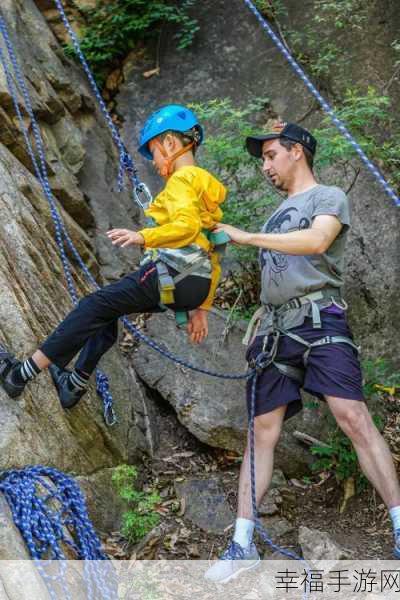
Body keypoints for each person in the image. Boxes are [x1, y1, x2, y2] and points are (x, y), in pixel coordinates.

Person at [205, 121, 400, 583]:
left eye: (271, 155)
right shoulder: (275, 217)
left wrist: (245, 237)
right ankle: (242, 542)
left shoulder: (327, 197)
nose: (265, 166)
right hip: (276, 330)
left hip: (320, 318)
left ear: (297, 152)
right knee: (261, 430)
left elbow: (316, 242)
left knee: (352, 416)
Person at [0, 104, 227, 408]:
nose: (156, 161)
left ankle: (19, 375)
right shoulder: (204, 186)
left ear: (170, 143)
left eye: (155, 152)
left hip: (171, 273)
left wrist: (142, 236)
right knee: (108, 309)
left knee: (94, 305)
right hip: (193, 283)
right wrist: (202, 305)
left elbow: (186, 227)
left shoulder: (183, 180)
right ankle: (74, 383)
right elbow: (214, 245)